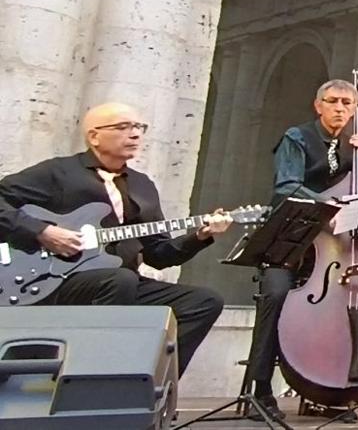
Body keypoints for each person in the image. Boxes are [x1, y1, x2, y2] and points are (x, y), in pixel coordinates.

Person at [0, 102, 229, 374]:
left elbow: (158, 255)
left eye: (139, 127)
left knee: (203, 301)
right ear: (94, 136)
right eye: (123, 127)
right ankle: (88, 379)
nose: (135, 134)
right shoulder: (58, 172)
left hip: (119, 282)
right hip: (56, 280)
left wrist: (200, 237)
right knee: (120, 279)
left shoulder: (142, 185)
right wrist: (42, 232)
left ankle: (147, 383)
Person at [244, 78, 358, 423]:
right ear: (318, 105)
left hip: (330, 252)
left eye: (347, 104)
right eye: (334, 101)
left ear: (355, 110)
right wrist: (330, 204)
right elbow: (286, 187)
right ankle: (259, 389)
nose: (340, 108)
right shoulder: (296, 138)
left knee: (352, 297)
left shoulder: (351, 149)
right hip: (290, 240)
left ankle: (328, 390)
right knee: (276, 295)